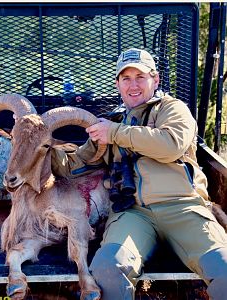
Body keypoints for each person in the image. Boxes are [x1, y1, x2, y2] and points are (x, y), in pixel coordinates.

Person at [51, 48, 227, 300]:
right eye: (126, 78)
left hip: (183, 209)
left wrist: (115, 133)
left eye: (140, 77)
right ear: (117, 84)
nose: (133, 85)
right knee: (107, 267)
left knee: (224, 268)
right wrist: (40, 146)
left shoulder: (172, 109)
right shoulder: (110, 122)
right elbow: (75, 165)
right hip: (133, 213)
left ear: (154, 80)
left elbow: (171, 145)